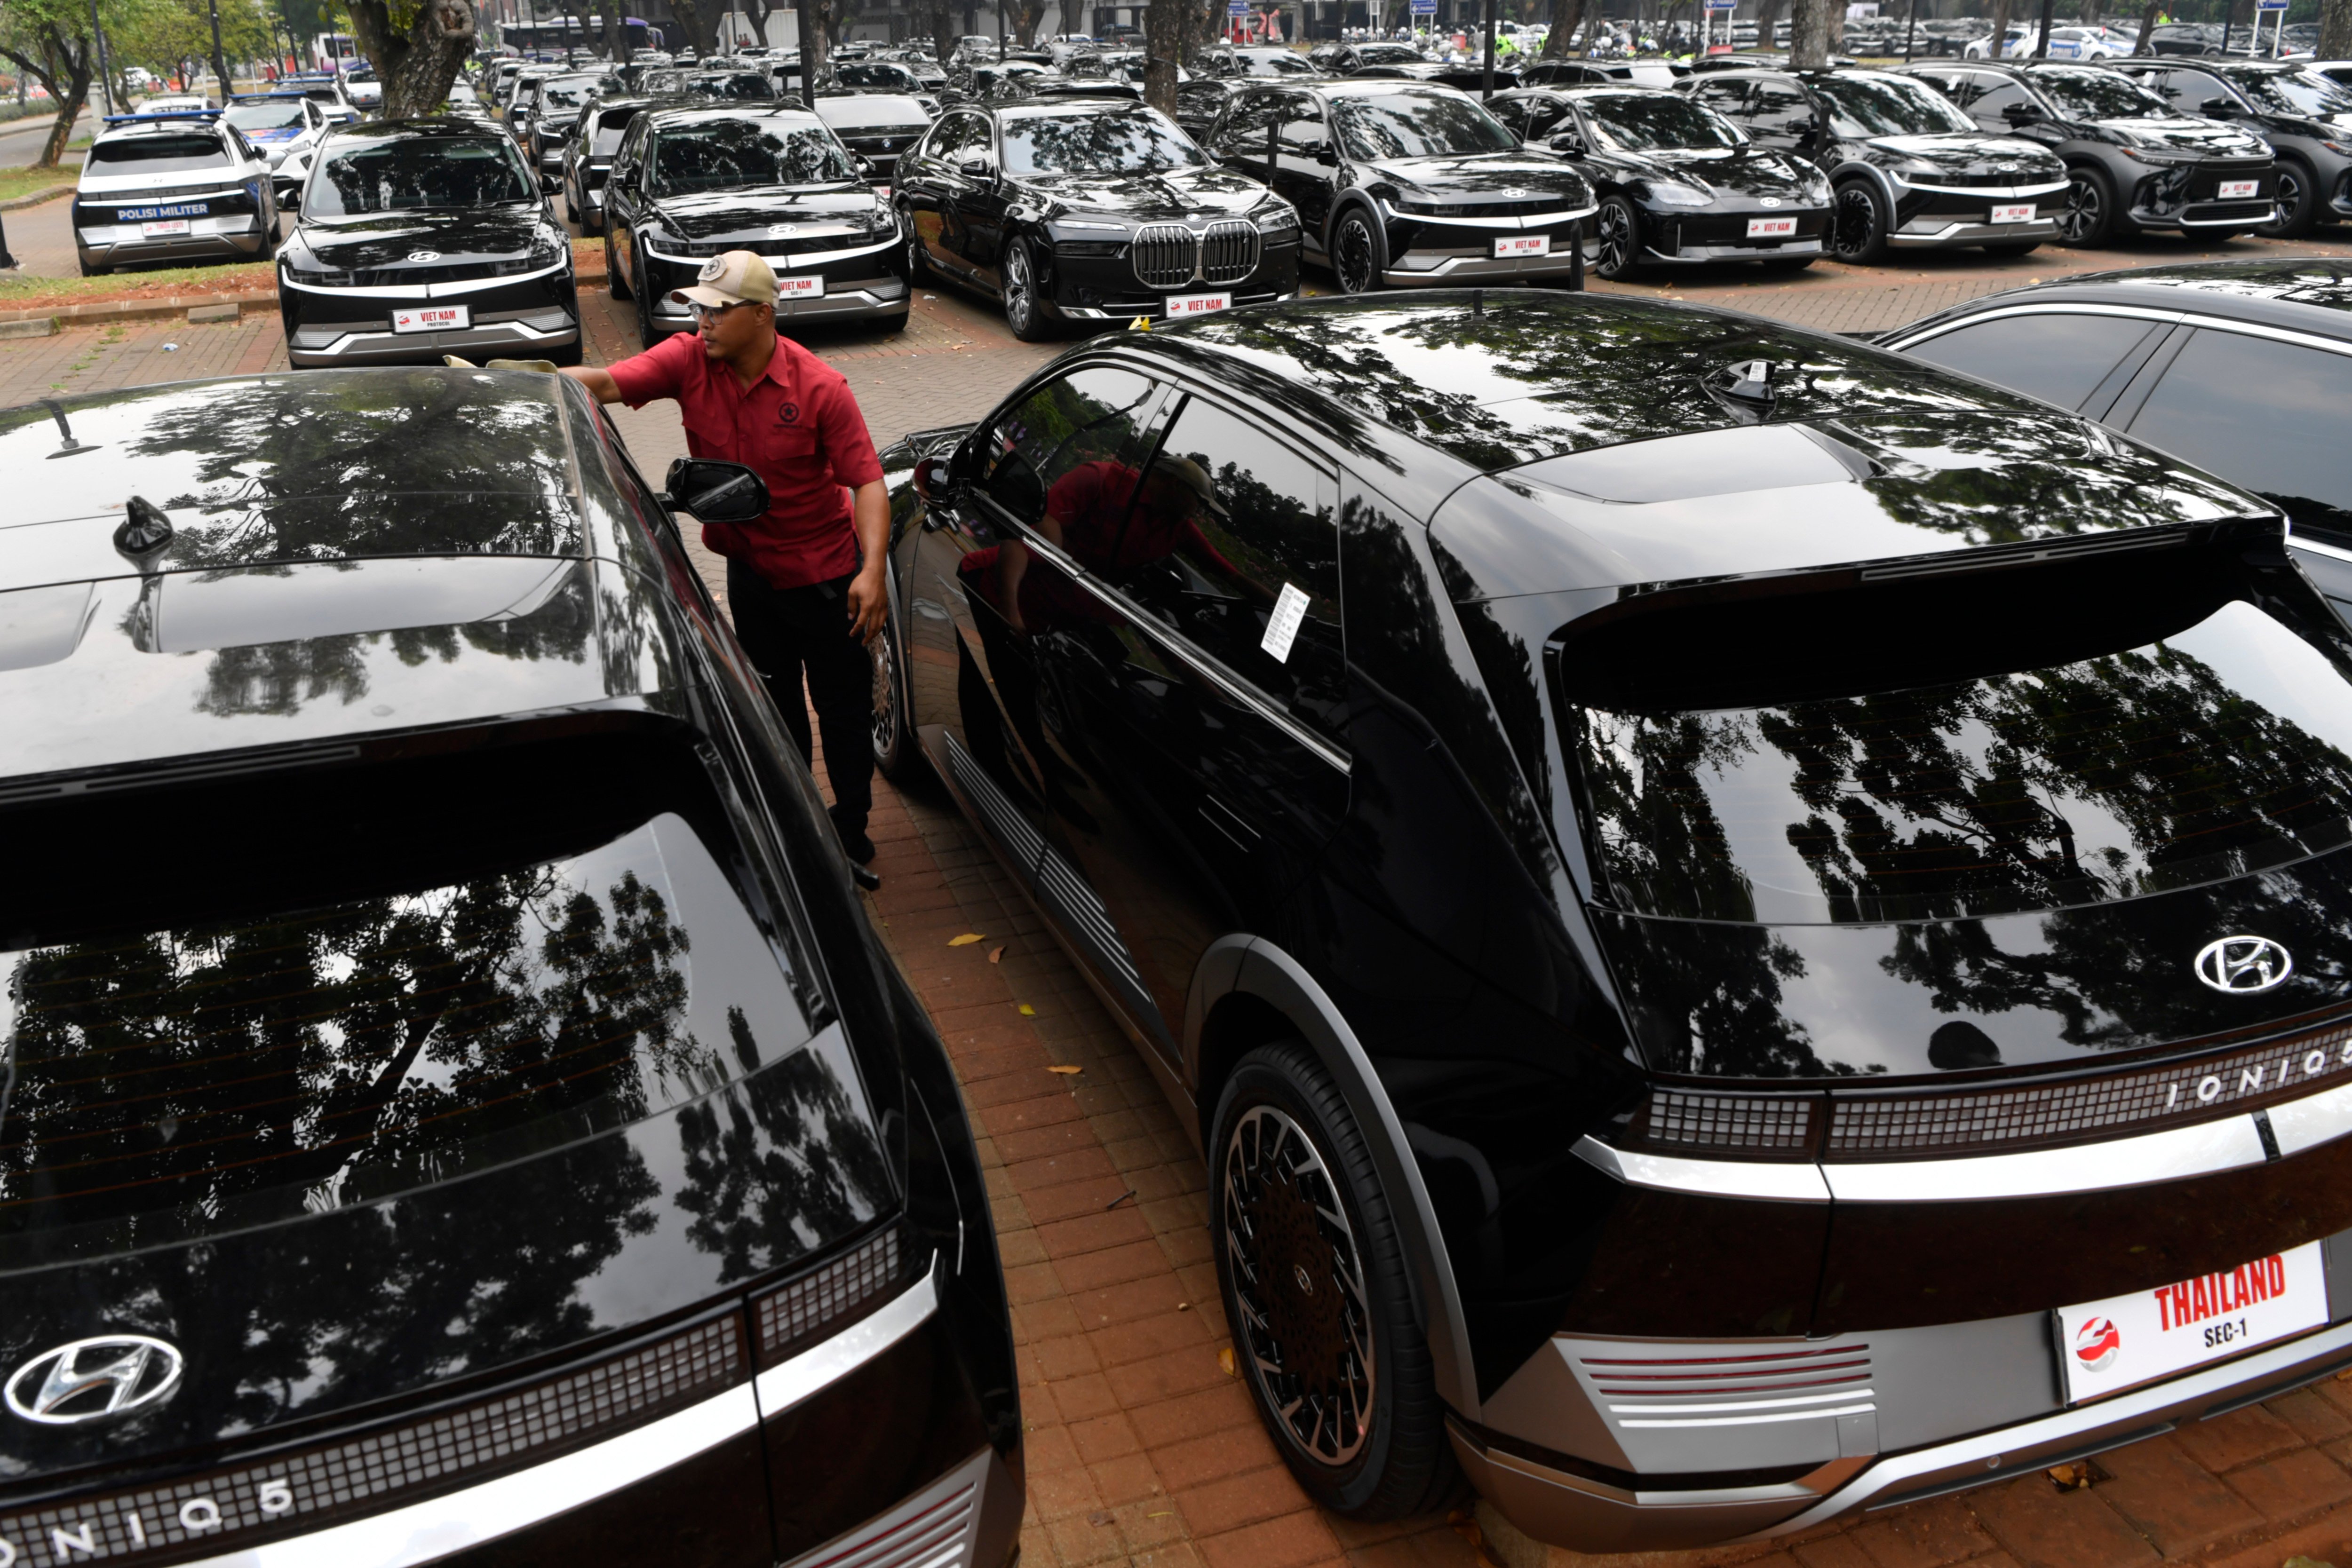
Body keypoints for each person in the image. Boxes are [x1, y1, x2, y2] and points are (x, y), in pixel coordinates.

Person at [562, 249, 890, 891]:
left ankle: (850, 830)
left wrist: (872, 570)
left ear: (762, 315)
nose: (701, 322)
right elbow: (601, 383)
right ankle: (799, 827)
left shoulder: (820, 387)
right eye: (698, 309)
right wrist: (523, 383)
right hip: (752, 578)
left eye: (717, 311)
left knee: (843, 712)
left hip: (828, 581)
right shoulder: (689, 360)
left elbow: (868, 482)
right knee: (776, 709)